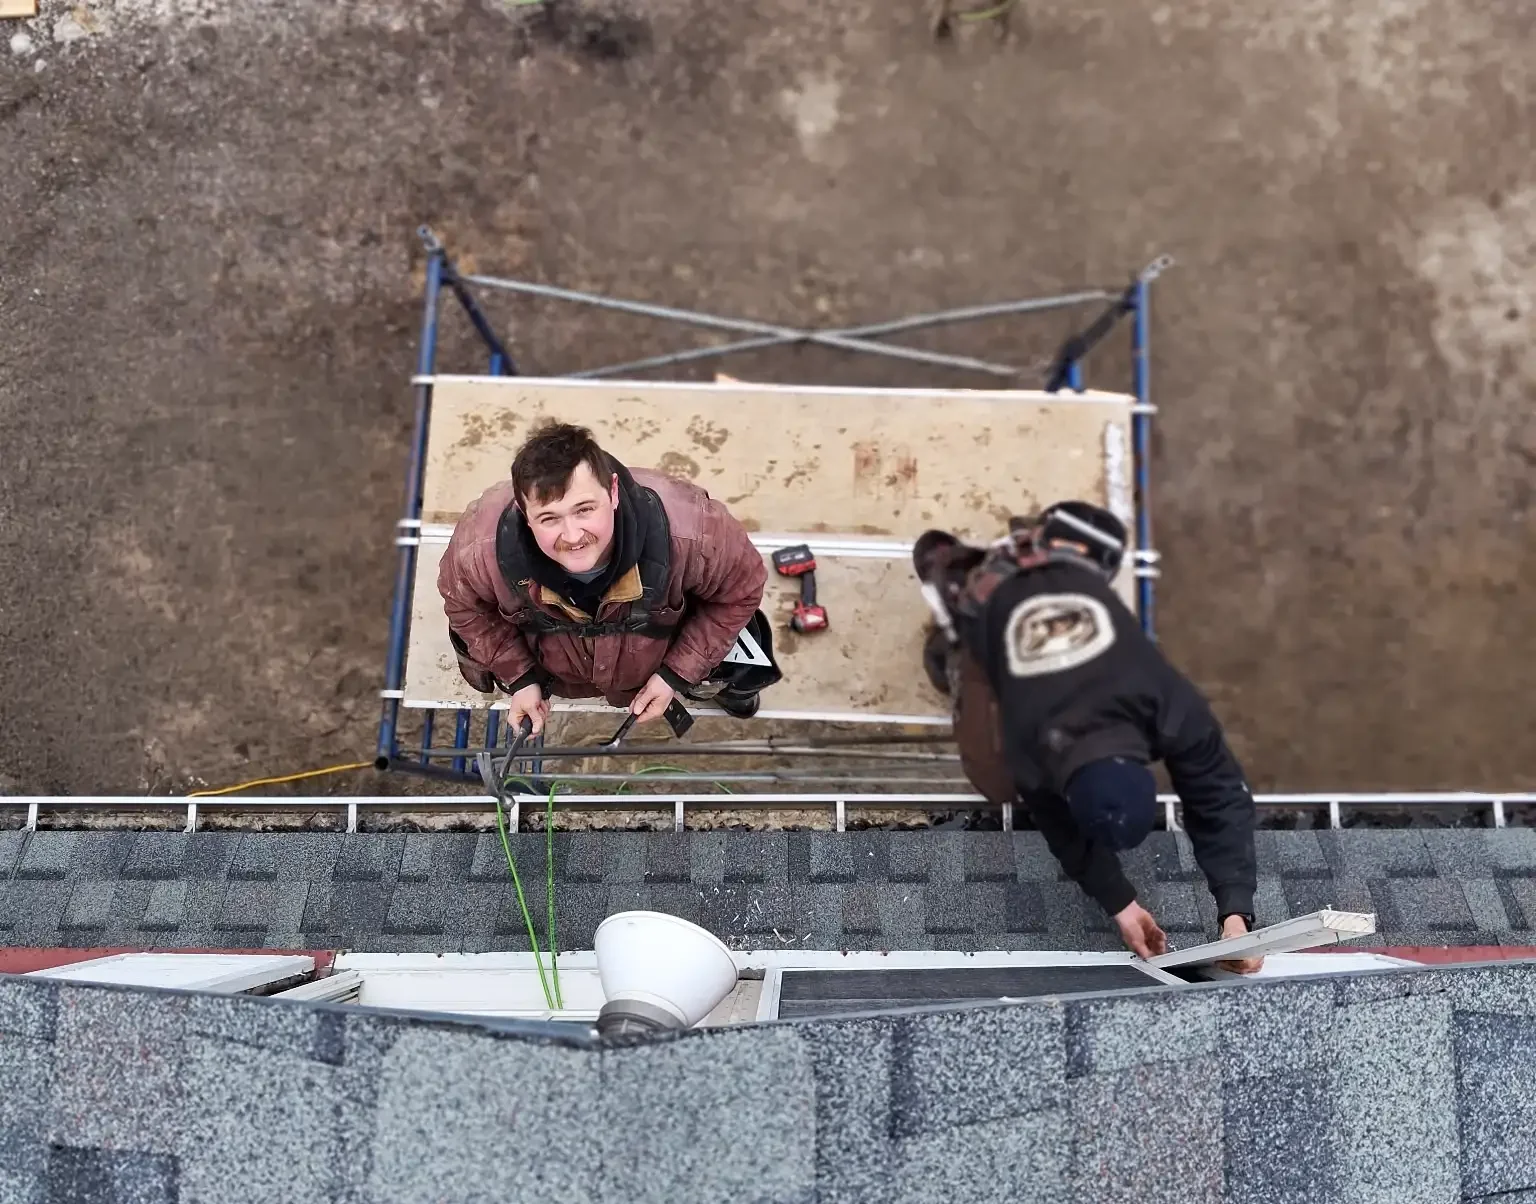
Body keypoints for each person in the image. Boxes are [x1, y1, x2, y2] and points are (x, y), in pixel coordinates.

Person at [915, 501, 1263, 973]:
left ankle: (1032, 552)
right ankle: (954, 622)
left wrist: (1236, 916)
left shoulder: (1166, 703)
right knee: (987, 761)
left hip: (1064, 585)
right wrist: (1121, 901)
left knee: (1087, 547)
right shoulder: (1027, 749)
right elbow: (1061, 826)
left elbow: (1219, 796)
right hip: (994, 603)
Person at [438, 420, 779, 733]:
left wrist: (677, 673)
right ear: (524, 513)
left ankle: (728, 692)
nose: (572, 536)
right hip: (557, 672)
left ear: (613, 491)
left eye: (584, 510)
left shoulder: (698, 534)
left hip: (657, 662)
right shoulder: (477, 551)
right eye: (549, 518)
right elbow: (464, 608)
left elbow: (741, 591)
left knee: (738, 655)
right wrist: (520, 676)